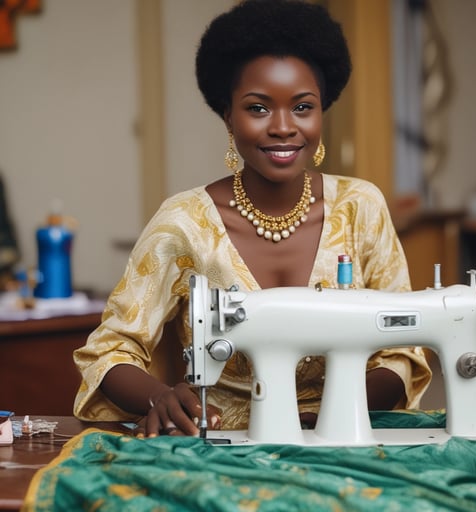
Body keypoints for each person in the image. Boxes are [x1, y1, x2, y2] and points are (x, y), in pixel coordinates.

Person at [73, 0, 432, 437]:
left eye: (302, 107)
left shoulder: (361, 208)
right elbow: (110, 351)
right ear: (228, 116)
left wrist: (334, 413)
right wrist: (160, 397)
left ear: (322, 112)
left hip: (342, 439)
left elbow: (401, 350)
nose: (283, 126)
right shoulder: (183, 223)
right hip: (217, 443)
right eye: (258, 108)